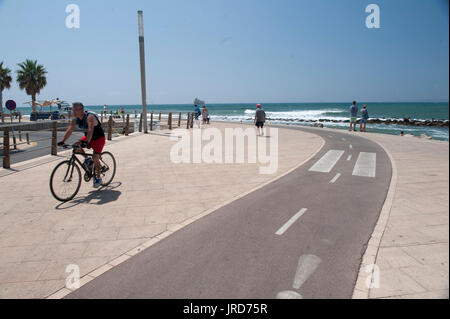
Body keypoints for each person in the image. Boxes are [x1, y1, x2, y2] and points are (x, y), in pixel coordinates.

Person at [58, 102, 106, 188]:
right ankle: (87, 159)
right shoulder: (75, 118)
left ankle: (98, 178)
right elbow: (70, 129)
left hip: (99, 138)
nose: (74, 111)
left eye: (76, 110)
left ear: (82, 110)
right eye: (73, 110)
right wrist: (63, 141)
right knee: (75, 146)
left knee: (95, 157)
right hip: (88, 137)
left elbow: (90, 130)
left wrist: (86, 141)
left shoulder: (89, 117)